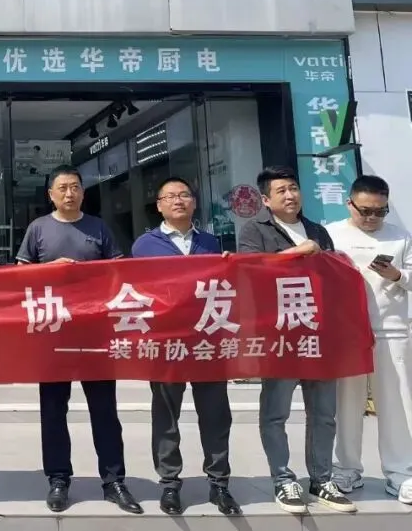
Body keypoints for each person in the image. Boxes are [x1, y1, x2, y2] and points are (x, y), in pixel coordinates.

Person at [16, 164, 140, 515]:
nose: (69, 193)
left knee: (105, 411)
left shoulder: (98, 227)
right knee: (53, 411)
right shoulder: (38, 228)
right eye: (62, 188)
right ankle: (58, 479)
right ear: (50, 194)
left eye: (75, 187)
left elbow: (119, 272)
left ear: (83, 192)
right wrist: (50, 269)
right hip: (52, 333)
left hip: (95, 334)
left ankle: (114, 481)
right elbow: (20, 275)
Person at [237, 165, 355, 514]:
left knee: (324, 414)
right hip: (279, 336)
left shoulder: (317, 230)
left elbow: (333, 277)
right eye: (281, 191)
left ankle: (321, 479)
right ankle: (283, 479)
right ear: (265, 200)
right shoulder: (254, 230)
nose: (290, 195)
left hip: (317, 334)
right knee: (276, 413)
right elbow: (248, 272)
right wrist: (296, 253)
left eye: (293, 188)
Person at [131, 177, 240, 517]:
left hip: (208, 341)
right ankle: (169, 484)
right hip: (166, 344)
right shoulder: (144, 246)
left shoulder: (211, 242)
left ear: (194, 202)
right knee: (166, 415)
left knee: (216, 414)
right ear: (159, 205)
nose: (178, 201)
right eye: (170, 196)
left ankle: (219, 484)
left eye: (184, 195)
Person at [328, 175, 412, 503]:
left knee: (397, 402)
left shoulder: (400, 236)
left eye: (380, 211)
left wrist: (397, 275)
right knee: (347, 402)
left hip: (391, 328)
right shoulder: (332, 234)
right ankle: (346, 468)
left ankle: (401, 472)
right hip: (347, 331)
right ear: (349, 203)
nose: (372, 217)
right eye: (365, 211)